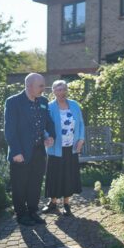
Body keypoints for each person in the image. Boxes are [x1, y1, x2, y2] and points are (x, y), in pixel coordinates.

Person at [4, 73, 55, 226]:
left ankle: (33, 212)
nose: (43, 88)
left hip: (39, 151)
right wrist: (16, 152)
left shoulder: (44, 101)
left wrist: (50, 136)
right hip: (21, 152)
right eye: (40, 85)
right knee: (19, 185)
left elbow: (49, 122)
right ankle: (21, 215)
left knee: (35, 183)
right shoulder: (13, 102)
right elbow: (10, 130)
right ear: (29, 86)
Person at [42, 80, 85, 216]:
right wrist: (47, 137)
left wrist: (81, 139)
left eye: (64, 89)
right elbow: (44, 126)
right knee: (54, 175)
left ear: (67, 90)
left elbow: (81, 124)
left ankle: (66, 203)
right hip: (55, 148)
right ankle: (53, 202)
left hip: (71, 147)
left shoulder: (74, 105)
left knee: (68, 175)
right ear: (53, 91)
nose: (61, 92)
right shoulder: (49, 107)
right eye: (58, 90)